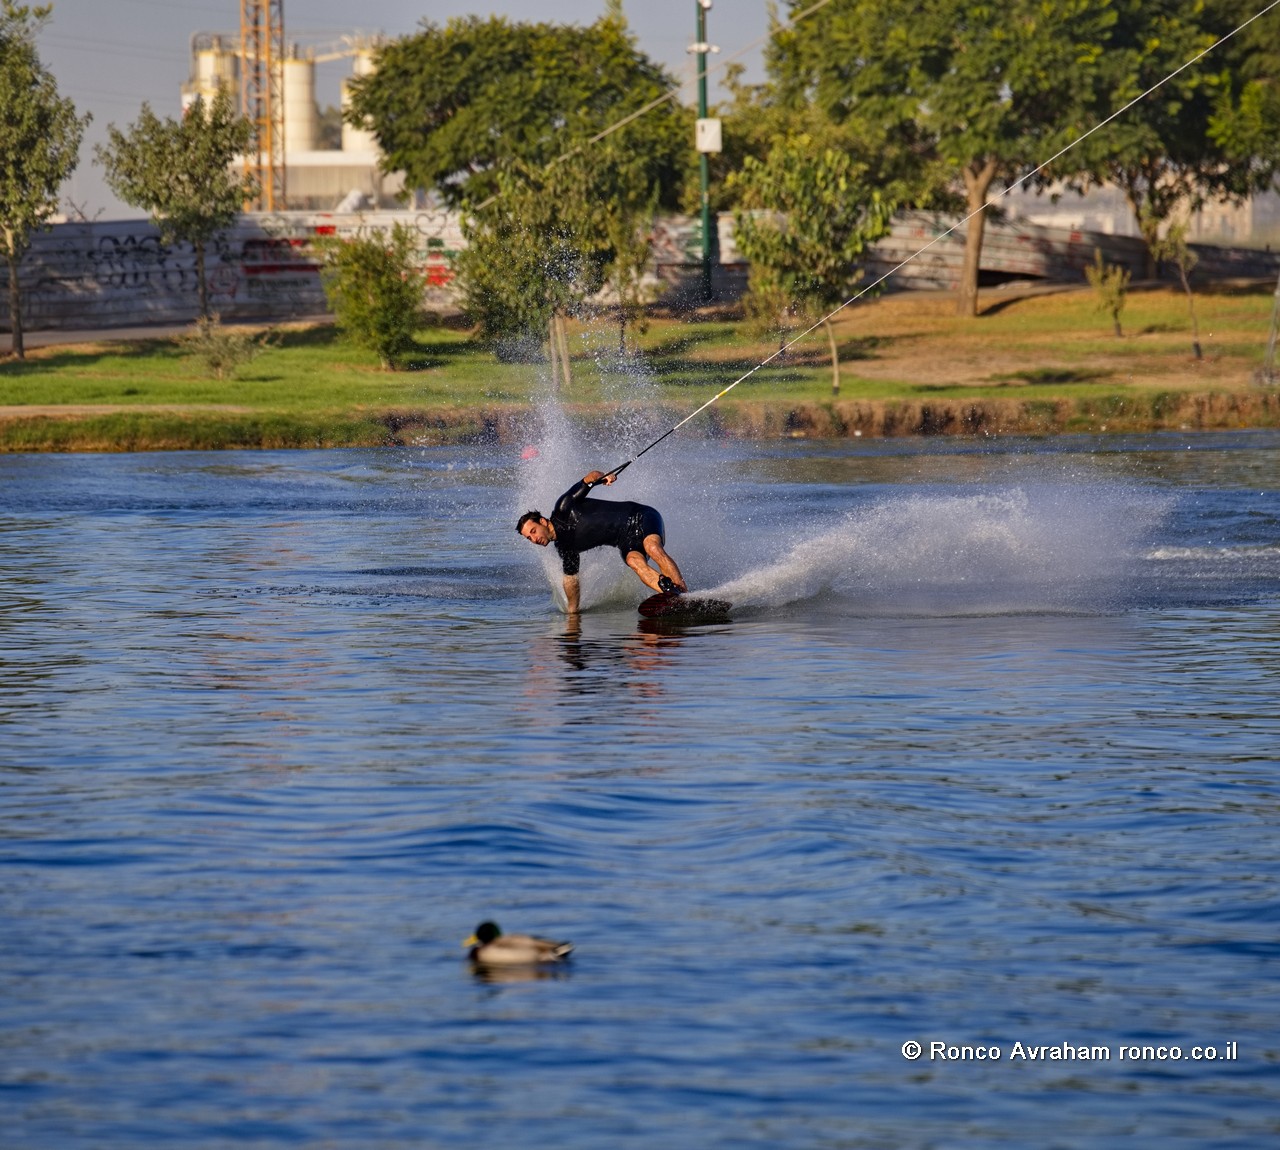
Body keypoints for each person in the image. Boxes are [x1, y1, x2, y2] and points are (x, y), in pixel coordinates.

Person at [517, 469, 687, 614]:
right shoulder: (565, 548)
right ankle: (672, 594)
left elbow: (589, 478)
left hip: (641, 516)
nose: (534, 539)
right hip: (625, 539)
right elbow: (571, 580)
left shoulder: (564, 507)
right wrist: (572, 612)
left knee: (652, 547)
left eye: (533, 531)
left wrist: (604, 476)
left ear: (543, 522)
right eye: (529, 538)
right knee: (634, 561)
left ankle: (683, 591)